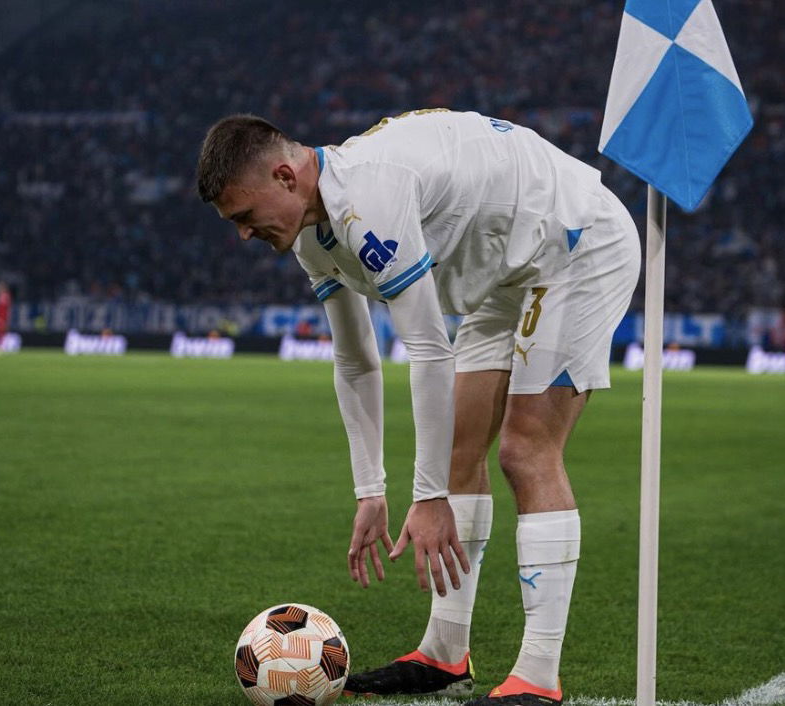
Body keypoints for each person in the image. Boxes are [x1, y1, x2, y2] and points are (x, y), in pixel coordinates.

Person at [197, 109, 640, 706]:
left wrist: (427, 499)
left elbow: (428, 348)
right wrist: (371, 490)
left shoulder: (368, 195)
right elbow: (356, 361)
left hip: (574, 241)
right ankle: (444, 652)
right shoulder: (308, 231)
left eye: (245, 218)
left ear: (284, 175)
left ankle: (537, 675)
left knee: (524, 447)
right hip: (502, 270)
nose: (244, 235)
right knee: (461, 449)